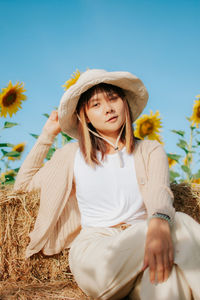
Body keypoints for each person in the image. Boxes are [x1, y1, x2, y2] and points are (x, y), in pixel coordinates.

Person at [14, 69, 200, 300]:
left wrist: (158, 221)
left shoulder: (150, 150)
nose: (108, 108)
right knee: (179, 221)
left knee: (170, 282)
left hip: (149, 247)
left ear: (125, 103)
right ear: (85, 116)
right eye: (96, 105)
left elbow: (159, 192)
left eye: (113, 98)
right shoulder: (71, 156)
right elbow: (21, 188)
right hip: (97, 254)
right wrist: (46, 135)